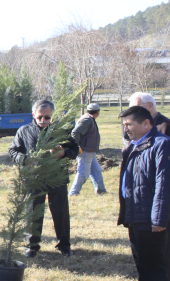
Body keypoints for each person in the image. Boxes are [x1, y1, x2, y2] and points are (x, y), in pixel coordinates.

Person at [118, 106, 170, 281]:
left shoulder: (163, 145)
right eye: (124, 124)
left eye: (129, 124)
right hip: (136, 214)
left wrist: (159, 219)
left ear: (146, 123)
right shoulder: (135, 146)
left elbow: (165, 185)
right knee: (142, 260)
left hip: (151, 217)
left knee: (154, 262)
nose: (126, 129)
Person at [128, 92, 170, 281]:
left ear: (149, 107)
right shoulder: (137, 132)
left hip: (159, 196)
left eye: (136, 109)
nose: (127, 128)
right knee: (147, 250)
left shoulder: (166, 128)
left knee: (162, 243)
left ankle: (166, 279)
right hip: (141, 198)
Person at [8, 100, 79, 257]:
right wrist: (25, 159)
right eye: (39, 117)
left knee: (60, 212)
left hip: (57, 177)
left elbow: (75, 149)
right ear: (33, 115)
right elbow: (13, 151)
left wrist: (64, 153)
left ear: (52, 115)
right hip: (34, 178)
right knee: (33, 213)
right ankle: (32, 247)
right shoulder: (24, 131)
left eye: (47, 117)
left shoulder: (62, 131)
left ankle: (64, 245)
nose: (43, 121)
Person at [69, 102, 107, 195]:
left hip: (90, 150)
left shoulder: (88, 118)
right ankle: (74, 193)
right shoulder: (87, 120)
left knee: (96, 170)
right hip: (85, 150)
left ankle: (101, 190)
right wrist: (77, 146)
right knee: (83, 173)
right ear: (97, 112)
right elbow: (75, 132)